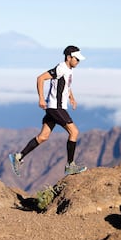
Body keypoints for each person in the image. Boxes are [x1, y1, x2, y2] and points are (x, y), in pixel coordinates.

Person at [9, 45, 87, 176]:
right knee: (74, 132)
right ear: (69, 57)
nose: (78, 62)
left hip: (56, 107)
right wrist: (41, 99)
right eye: (76, 59)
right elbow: (40, 78)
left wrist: (72, 98)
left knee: (43, 137)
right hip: (55, 107)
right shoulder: (60, 68)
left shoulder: (69, 70)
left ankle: (18, 157)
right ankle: (70, 166)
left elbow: (67, 85)